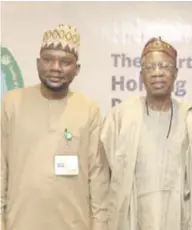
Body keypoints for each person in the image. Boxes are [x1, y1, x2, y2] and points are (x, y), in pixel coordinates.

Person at [0, 24, 110, 230]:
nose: (55, 68)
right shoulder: (11, 104)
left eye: (65, 62)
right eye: (48, 59)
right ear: (37, 63)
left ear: (77, 69)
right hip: (21, 223)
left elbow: (98, 180)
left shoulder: (89, 110)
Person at [100, 37, 192, 230]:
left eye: (165, 66)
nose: (157, 73)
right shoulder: (119, 118)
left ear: (176, 73)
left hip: (180, 218)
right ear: (141, 74)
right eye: (150, 67)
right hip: (134, 219)